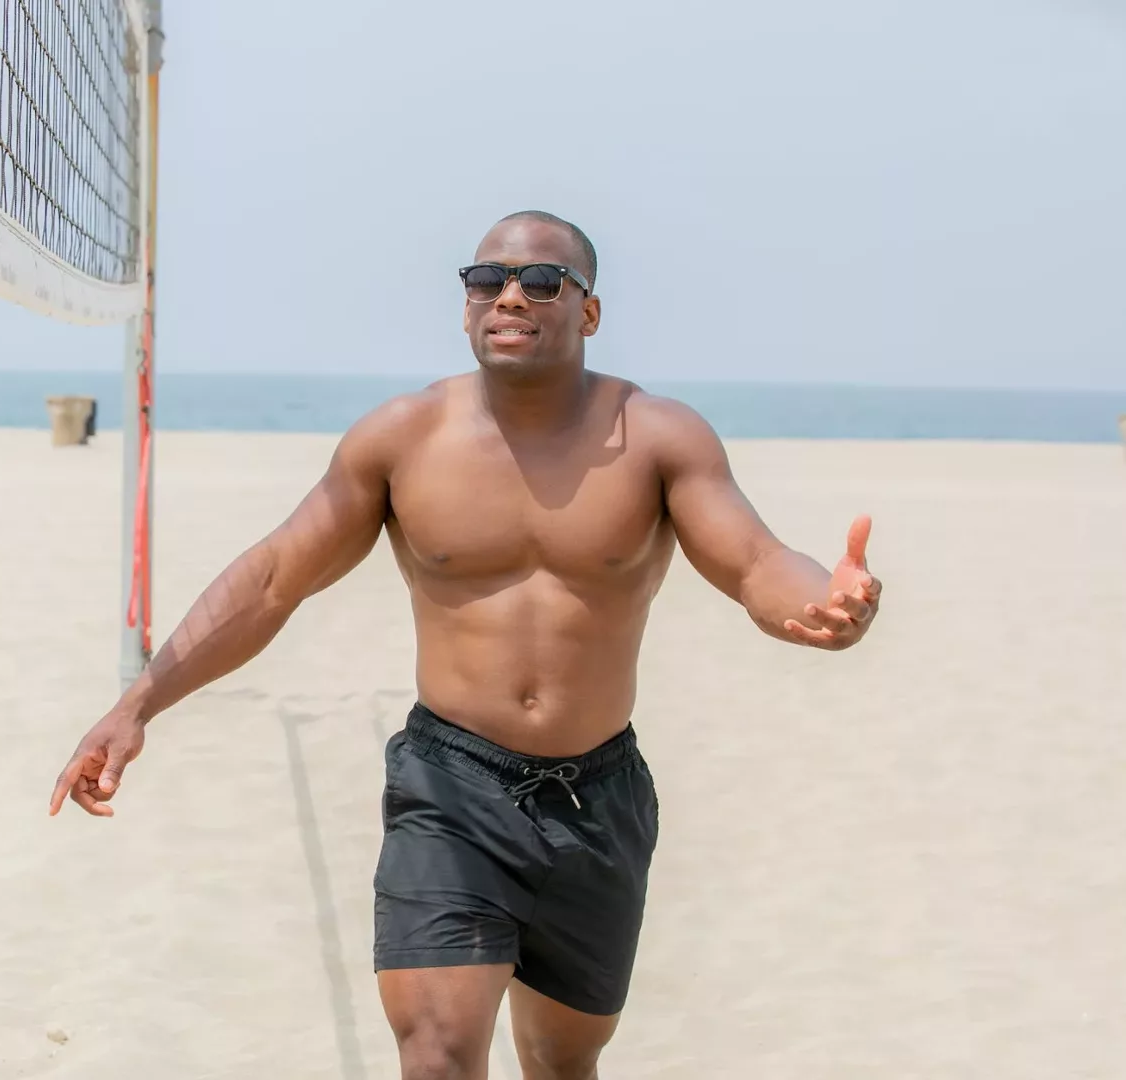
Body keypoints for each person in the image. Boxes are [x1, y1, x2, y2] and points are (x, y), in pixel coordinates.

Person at [50, 210, 882, 1078]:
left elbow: (754, 563)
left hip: (599, 795)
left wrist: (823, 601)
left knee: (563, 1064)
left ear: (588, 311)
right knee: (439, 1053)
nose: (510, 296)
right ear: (465, 305)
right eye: (487, 280)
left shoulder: (660, 437)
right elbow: (272, 578)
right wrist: (138, 704)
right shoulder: (403, 438)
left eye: (542, 281)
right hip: (452, 785)